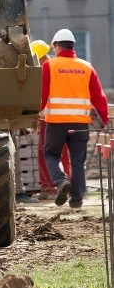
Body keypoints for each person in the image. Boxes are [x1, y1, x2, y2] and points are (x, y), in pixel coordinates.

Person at [40, 28, 109, 208]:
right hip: (80, 123)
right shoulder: (86, 67)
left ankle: (61, 180)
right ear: (72, 46)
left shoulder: (50, 65)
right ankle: (77, 200)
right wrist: (103, 120)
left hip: (56, 123)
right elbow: (99, 97)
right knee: (78, 161)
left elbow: (42, 94)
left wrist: (34, 112)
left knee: (51, 154)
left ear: (56, 46)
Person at [30, 39, 72, 201]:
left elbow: (40, 96)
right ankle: (66, 184)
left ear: (38, 58)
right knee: (63, 152)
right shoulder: (57, 67)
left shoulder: (43, 70)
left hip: (49, 117)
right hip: (64, 116)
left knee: (45, 152)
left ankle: (48, 188)